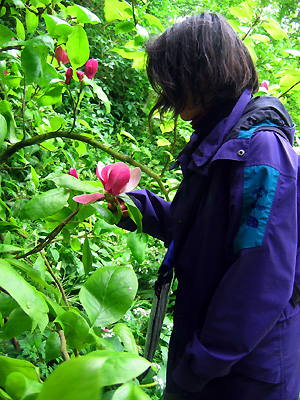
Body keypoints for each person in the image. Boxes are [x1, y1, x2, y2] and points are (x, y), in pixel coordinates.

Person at [119, 12, 300, 400]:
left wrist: (196, 368)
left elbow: (260, 278)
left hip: (244, 377)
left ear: (202, 75)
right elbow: (203, 234)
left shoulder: (260, 150)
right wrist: (133, 206)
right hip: (215, 361)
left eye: (172, 77)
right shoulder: (219, 139)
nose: (166, 92)